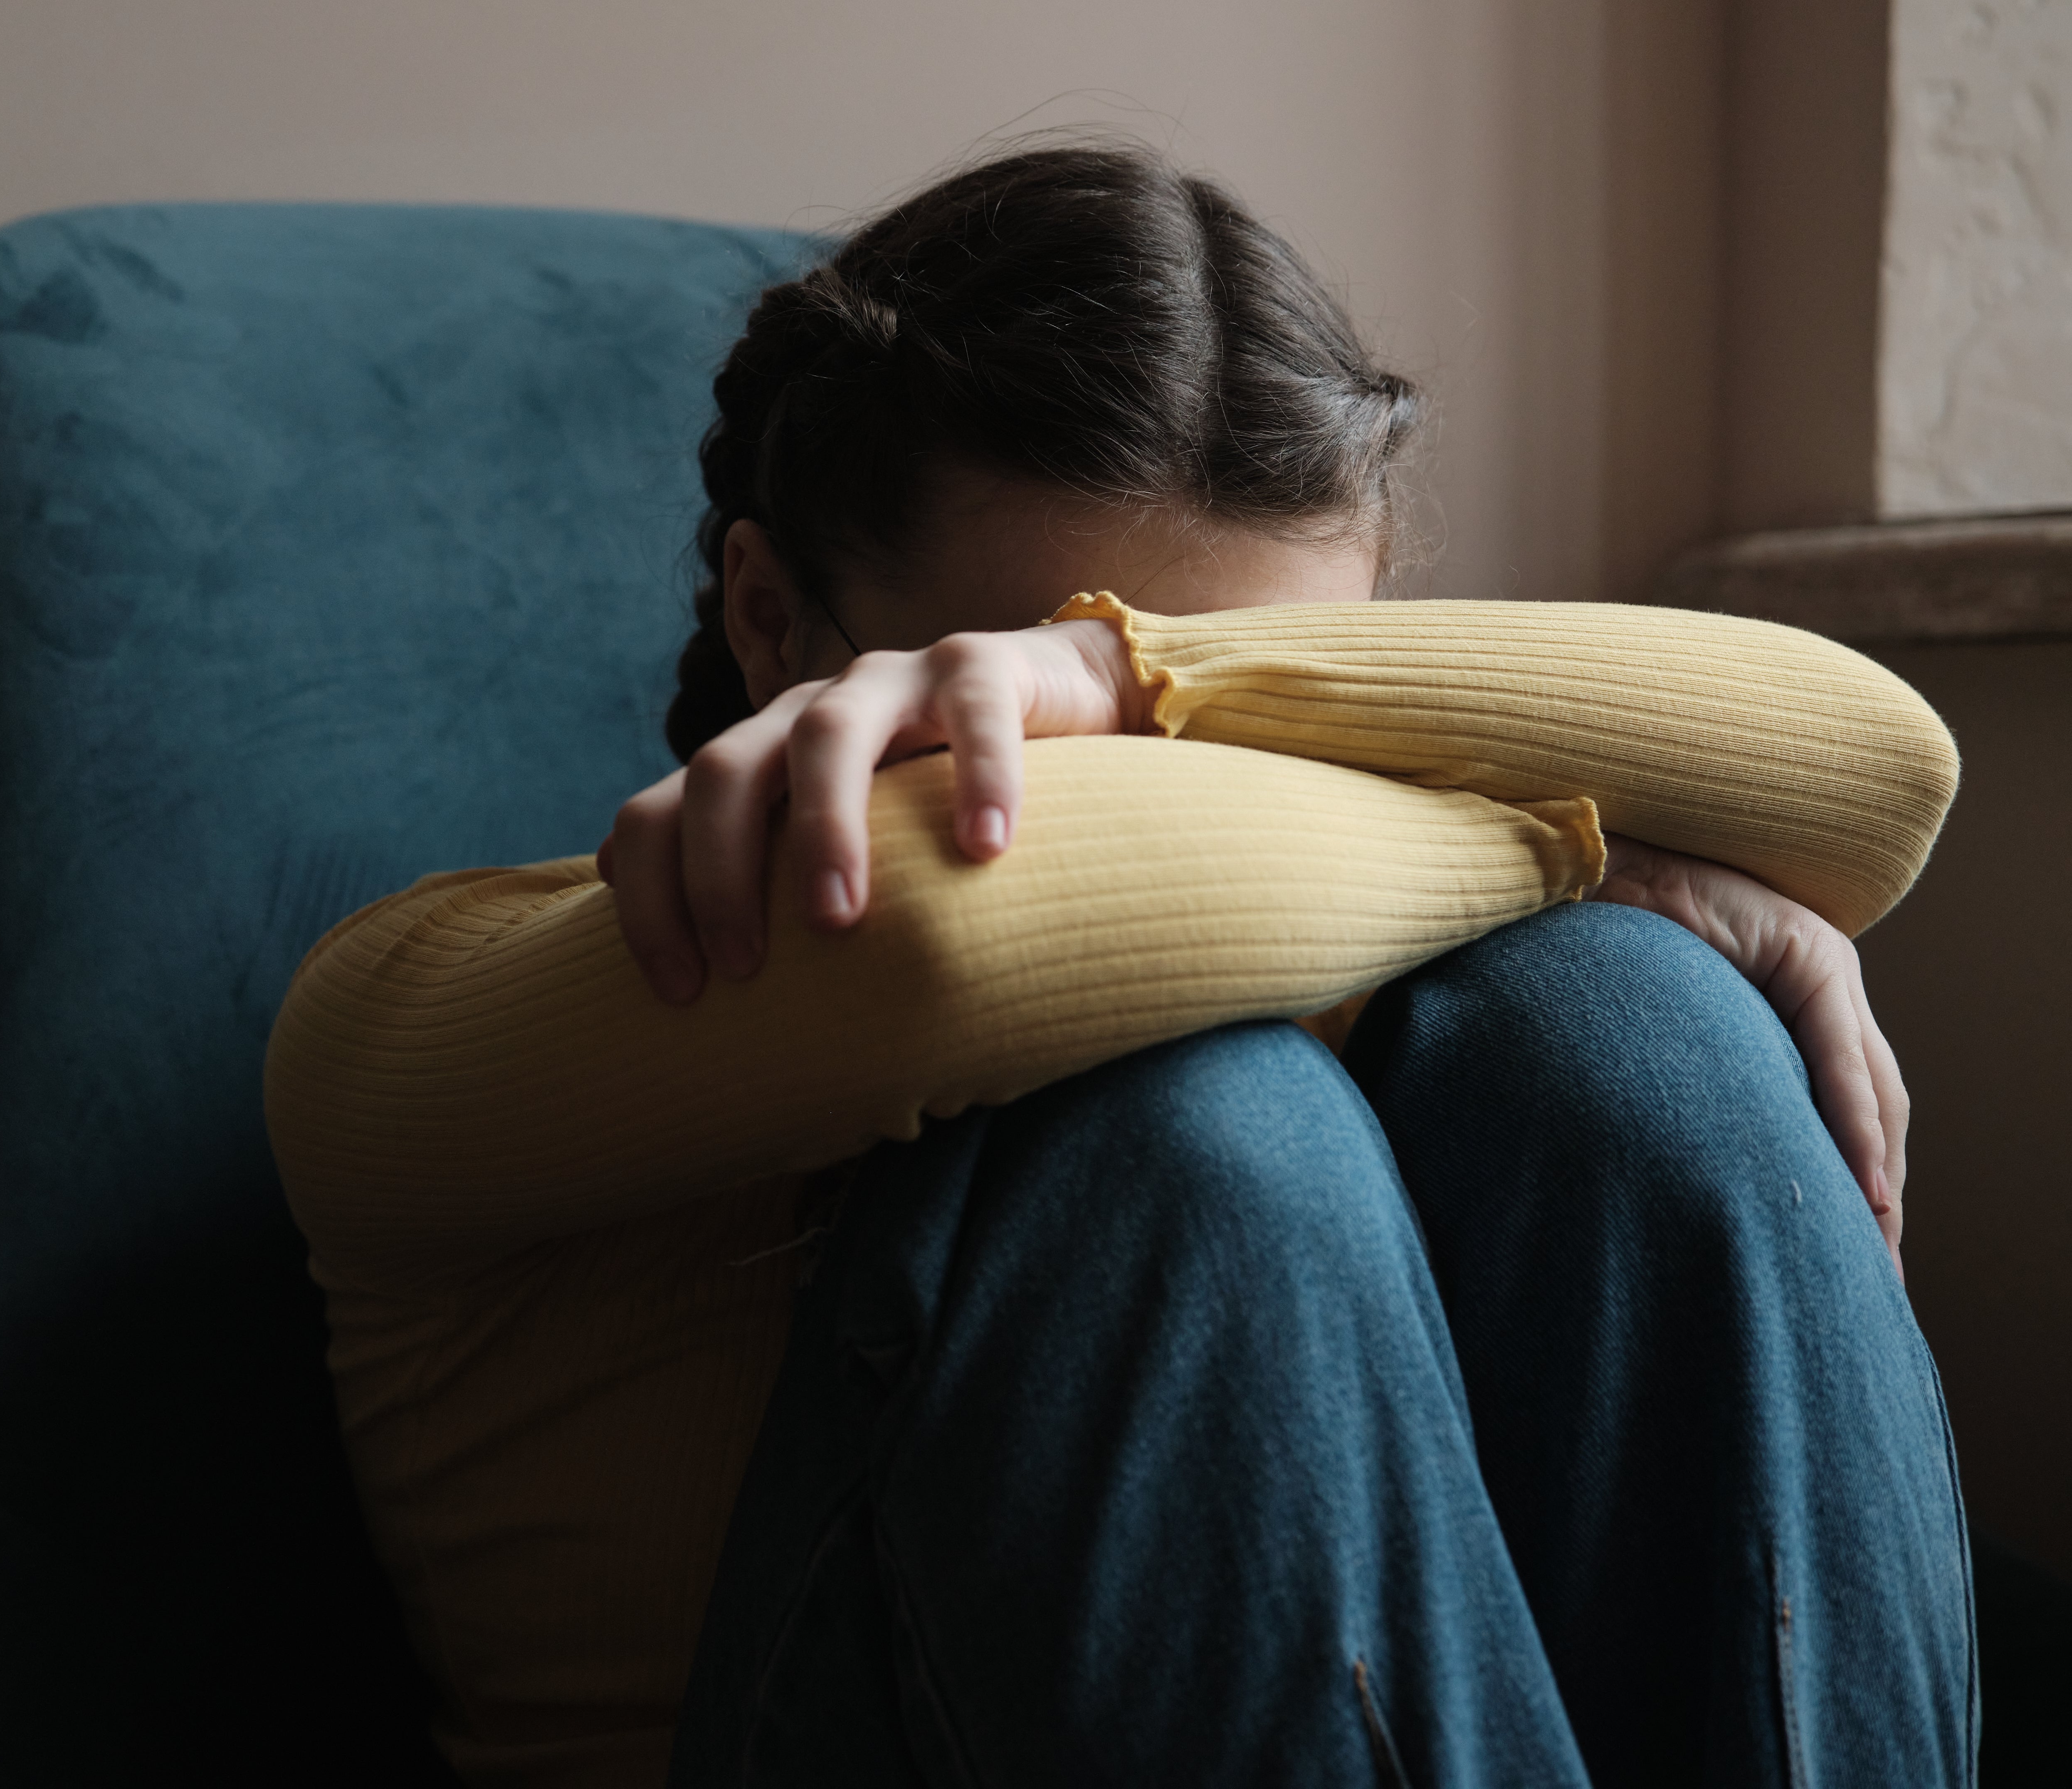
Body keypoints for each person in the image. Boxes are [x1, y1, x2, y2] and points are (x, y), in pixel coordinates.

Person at [263, 142, 1973, 1788]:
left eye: (1283, 708)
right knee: (1187, 1116)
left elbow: (1883, 763)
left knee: (1623, 1016)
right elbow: (955, 951)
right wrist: (1580, 845)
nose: (1180, 763)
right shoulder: (413, 1010)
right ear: (773, 620)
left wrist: (1116, 679)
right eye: (1025, 694)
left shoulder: (1352, 940)